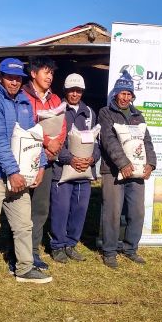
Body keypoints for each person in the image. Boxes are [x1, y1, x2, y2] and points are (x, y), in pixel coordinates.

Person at [0, 57, 52, 292]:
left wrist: (41, 164)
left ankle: (24, 267)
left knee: (23, 224)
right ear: (0, 78)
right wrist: (13, 171)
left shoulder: (24, 103)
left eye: (18, 78)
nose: (14, 82)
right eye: (9, 77)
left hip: (18, 176)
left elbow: (34, 137)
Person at [98, 70, 156, 269]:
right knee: (112, 212)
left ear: (132, 96)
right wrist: (123, 163)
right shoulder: (105, 113)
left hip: (137, 172)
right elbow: (108, 140)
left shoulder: (137, 115)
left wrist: (151, 164)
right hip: (113, 171)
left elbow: (146, 141)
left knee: (137, 211)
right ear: (115, 94)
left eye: (128, 94)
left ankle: (131, 248)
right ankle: (110, 251)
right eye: (122, 93)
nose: (125, 97)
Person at [49, 73, 99, 264]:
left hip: (84, 171)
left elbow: (96, 142)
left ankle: (71, 244)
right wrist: (69, 158)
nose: (75, 94)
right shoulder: (58, 110)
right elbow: (54, 140)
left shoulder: (90, 113)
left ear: (82, 91)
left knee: (79, 209)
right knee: (60, 209)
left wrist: (92, 158)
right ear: (66, 90)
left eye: (78, 90)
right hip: (62, 170)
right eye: (71, 90)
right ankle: (57, 245)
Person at [22, 57, 66, 270]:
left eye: (51, 73)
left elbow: (63, 125)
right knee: (20, 207)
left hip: (47, 162)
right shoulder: (22, 96)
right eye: (45, 72)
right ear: (33, 73)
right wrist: (48, 142)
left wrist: (56, 146)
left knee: (40, 208)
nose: (49, 77)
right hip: (24, 159)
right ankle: (18, 251)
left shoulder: (55, 99)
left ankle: (33, 252)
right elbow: (25, 125)